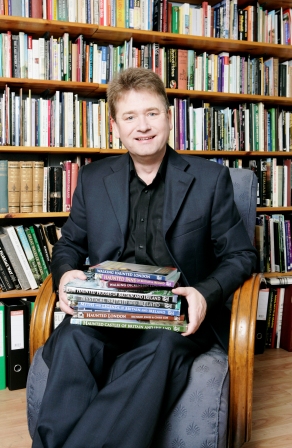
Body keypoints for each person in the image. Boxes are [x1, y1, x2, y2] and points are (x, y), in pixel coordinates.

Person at [32, 67, 257, 448]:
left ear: (169, 116)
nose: (143, 126)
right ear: (115, 126)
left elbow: (240, 255)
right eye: (130, 116)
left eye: (152, 113)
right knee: (71, 341)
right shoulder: (92, 179)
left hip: (173, 318)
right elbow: (69, 244)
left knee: (161, 347)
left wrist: (204, 293)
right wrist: (67, 273)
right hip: (106, 308)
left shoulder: (210, 179)